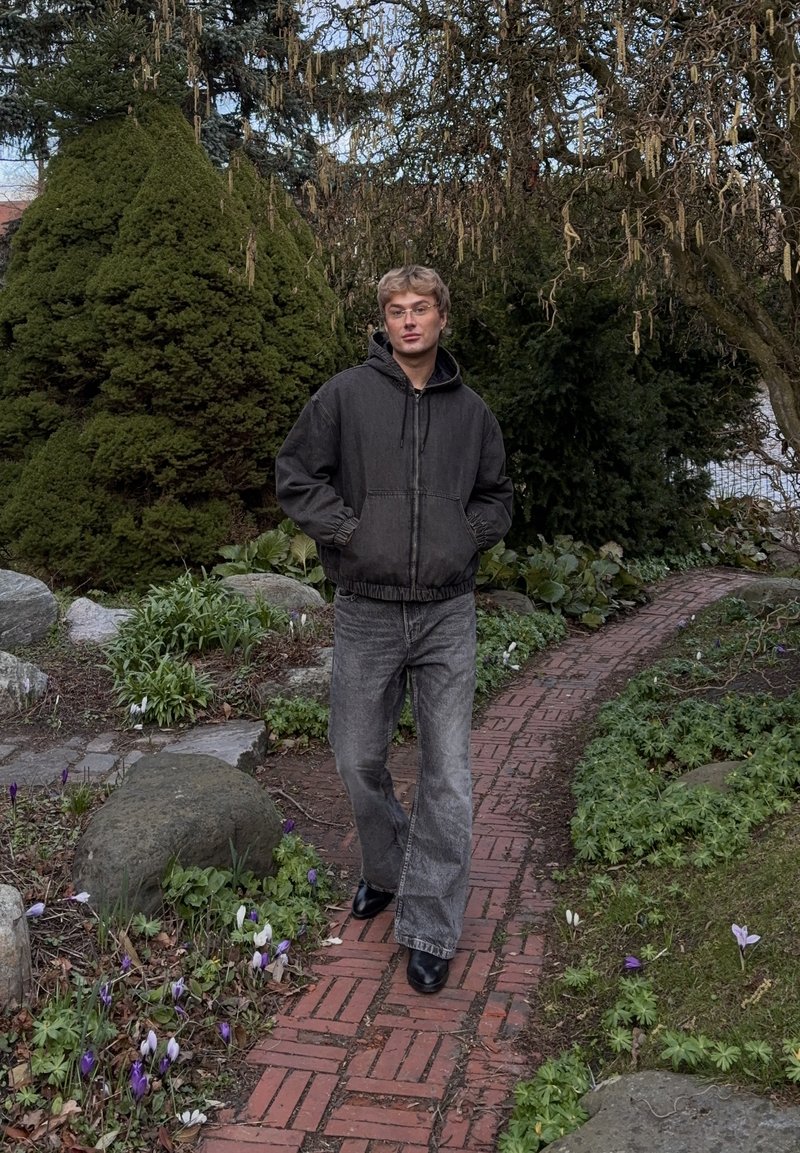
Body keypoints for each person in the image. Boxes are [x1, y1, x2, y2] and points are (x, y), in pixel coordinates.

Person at [275, 265, 513, 994]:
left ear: (443, 317)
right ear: (384, 321)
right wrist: (350, 529)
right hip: (368, 608)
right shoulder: (344, 397)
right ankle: (385, 866)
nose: (410, 321)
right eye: (396, 310)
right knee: (355, 757)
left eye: (423, 308)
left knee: (448, 772)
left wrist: (462, 536)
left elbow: (497, 497)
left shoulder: (472, 413)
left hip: (446, 613)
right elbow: (295, 473)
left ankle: (431, 926)